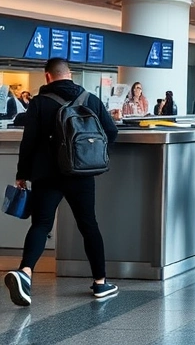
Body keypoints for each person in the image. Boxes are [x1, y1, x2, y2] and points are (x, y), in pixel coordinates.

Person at [5, 58, 119, 306]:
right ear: (70, 74)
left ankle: (25, 273)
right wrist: (95, 155)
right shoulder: (89, 99)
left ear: (47, 77)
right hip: (81, 173)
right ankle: (100, 283)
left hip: (46, 174)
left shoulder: (39, 102)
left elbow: (29, 142)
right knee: (88, 225)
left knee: (41, 225)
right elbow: (111, 131)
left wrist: (22, 173)